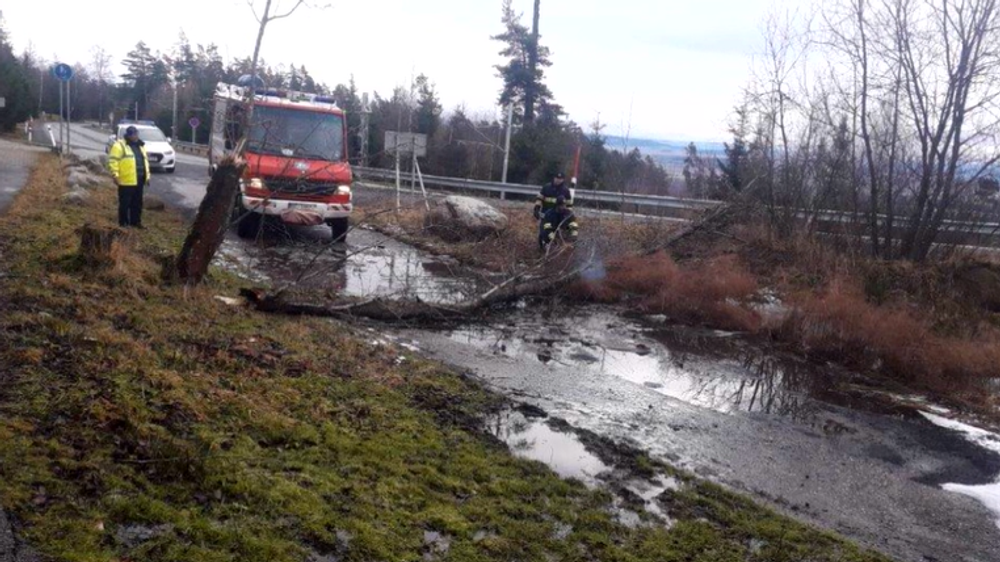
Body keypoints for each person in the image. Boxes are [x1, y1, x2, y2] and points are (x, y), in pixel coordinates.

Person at [107, 125, 150, 228]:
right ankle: (124, 223)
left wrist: (147, 176)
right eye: (132, 134)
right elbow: (113, 161)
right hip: (126, 180)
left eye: (135, 134)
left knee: (137, 203)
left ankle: (136, 222)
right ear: (127, 135)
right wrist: (115, 175)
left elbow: (145, 161)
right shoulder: (119, 145)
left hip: (139, 179)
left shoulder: (141, 145)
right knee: (125, 204)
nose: (134, 136)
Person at [534, 173, 579, 250]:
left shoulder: (565, 190)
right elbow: (539, 199)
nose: (558, 180)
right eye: (557, 178)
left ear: (563, 180)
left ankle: (558, 245)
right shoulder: (546, 187)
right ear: (554, 178)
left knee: (560, 232)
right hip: (546, 214)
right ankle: (543, 247)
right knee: (544, 232)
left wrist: (567, 218)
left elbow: (569, 205)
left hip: (561, 216)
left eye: (560, 179)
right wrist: (536, 209)